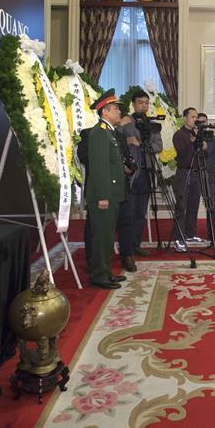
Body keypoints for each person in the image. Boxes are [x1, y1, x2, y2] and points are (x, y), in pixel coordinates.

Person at [115, 88, 163, 272]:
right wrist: (123, 132)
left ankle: (135, 245)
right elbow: (116, 140)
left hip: (148, 172)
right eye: (140, 103)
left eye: (146, 103)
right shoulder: (126, 122)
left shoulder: (152, 124)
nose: (144, 106)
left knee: (140, 213)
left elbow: (158, 146)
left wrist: (140, 143)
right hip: (131, 173)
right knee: (128, 213)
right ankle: (125, 251)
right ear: (133, 104)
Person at [84, 89, 128, 290]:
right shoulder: (99, 133)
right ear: (105, 112)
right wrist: (103, 196)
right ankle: (98, 276)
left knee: (108, 236)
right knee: (101, 237)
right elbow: (99, 167)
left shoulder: (108, 132)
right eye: (116, 109)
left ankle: (106, 272)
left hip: (112, 194)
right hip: (104, 195)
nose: (119, 112)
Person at [172, 107, 203, 248]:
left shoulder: (198, 134)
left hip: (196, 174)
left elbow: (205, 156)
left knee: (193, 206)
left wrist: (204, 147)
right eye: (192, 117)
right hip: (184, 173)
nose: (195, 119)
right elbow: (182, 154)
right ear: (185, 118)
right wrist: (191, 142)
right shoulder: (179, 134)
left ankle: (190, 235)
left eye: (196, 117)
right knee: (181, 207)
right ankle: (178, 238)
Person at [197, 112, 215, 236]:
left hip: (209, 175)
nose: (202, 124)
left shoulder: (214, 139)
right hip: (194, 175)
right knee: (191, 205)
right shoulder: (192, 137)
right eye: (199, 122)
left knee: (211, 205)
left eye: (204, 122)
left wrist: (205, 168)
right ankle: (188, 233)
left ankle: (212, 232)